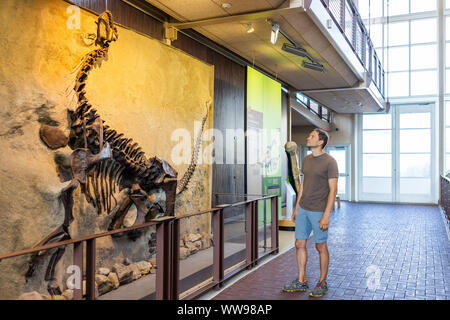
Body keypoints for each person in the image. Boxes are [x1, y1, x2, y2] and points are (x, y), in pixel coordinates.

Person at [282, 128, 338, 298]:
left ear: (321, 142)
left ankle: (322, 282)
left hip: (319, 210)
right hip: (304, 209)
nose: (308, 137)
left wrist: (326, 214)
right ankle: (301, 280)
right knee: (299, 244)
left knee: (320, 246)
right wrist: (297, 207)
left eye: (312, 136)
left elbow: (333, 190)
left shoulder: (330, 162)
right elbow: (303, 186)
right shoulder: (306, 160)